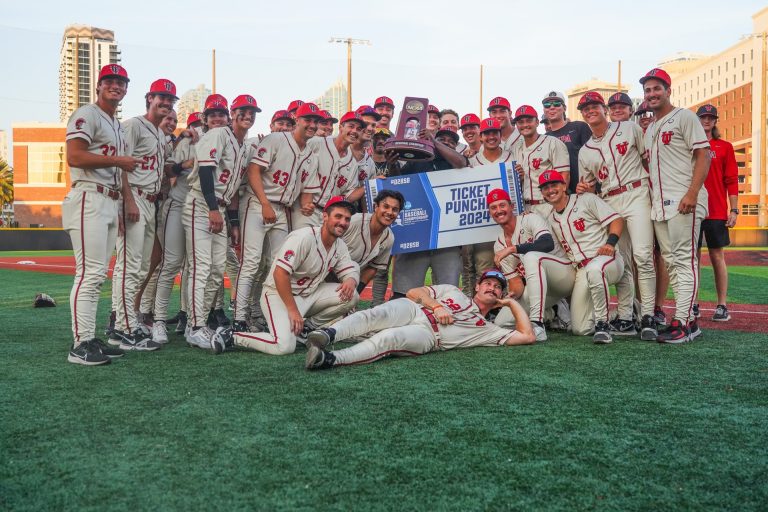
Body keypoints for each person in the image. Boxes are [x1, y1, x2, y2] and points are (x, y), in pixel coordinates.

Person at [63, 64, 142, 365]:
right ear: (98, 86)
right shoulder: (88, 113)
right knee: (89, 273)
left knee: (98, 275)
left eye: (121, 82)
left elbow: (119, 170)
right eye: (109, 81)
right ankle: (80, 345)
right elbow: (75, 155)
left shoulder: (116, 124)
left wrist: (124, 202)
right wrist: (120, 159)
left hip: (108, 200)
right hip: (88, 195)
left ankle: (89, 337)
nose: (116, 86)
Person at [304, 269, 536, 369]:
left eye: (497, 288)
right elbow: (415, 292)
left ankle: (329, 359)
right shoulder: (453, 291)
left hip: (429, 336)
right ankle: (327, 335)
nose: (492, 288)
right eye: (487, 283)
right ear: (477, 286)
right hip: (416, 310)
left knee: (389, 338)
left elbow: (527, 336)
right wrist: (436, 306)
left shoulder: (487, 328)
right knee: (375, 314)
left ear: (500, 295)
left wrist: (511, 303)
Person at [225, 197, 361, 355]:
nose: (343, 222)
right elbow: (280, 274)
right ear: (325, 217)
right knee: (284, 346)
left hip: (308, 295)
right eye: (338, 216)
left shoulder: (339, 245)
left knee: (351, 296)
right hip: (278, 295)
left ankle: (307, 329)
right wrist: (293, 310)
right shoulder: (303, 237)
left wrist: (351, 280)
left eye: (347, 219)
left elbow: (349, 270)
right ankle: (233, 337)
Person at [233, 102, 322, 332]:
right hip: (257, 204)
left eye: (315, 121)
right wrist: (264, 204)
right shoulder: (276, 140)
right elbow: (254, 170)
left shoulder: (310, 153)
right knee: (251, 262)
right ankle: (239, 318)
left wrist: (309, 206)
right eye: (307, 120)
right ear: (297, 120)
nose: (312, 125)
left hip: (281, 209)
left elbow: (306, 196)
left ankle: (262, 313)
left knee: (277, 265)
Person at [575, 91, 657, 340]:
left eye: (594, 106)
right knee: (622, 261)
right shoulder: (585, 150)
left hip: (636, 193)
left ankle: (649, 316)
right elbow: (588, 184)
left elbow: (649, 160)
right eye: (585, 108)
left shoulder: (629, 129)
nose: (590, 110)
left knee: (643, 255)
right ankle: (625, 316)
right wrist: (584, 188)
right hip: (610, 199)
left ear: (604, 108)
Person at [641, 67, 711, 343]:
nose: (652, 93)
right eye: (648, 90)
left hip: (683, 200)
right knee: (671, 263)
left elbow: (703, 155)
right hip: (660, 205)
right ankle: (688, 322)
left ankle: (682, 321)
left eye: (657, 88)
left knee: (684, 261)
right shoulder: (651, 128)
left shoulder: (684, 116)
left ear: (669, 90)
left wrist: (692, 193)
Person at [182, 94, 257, 349]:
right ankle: (195, 326)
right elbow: (204, 170)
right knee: (202, 268)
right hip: (202, 203)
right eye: (243, 111)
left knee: (215, 271)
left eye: (252, 112)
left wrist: (232, 222)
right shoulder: (218, 135)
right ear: (232, 113)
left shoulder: (244, 145)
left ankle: (201, 322)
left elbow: (234, 190)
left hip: (220, 208)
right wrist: (213, 209)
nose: (247, 115)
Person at [108, 78, 177, 351]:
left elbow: (164, 170)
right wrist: (127, 200)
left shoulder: (160, 134)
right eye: (161, 97)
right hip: (134, 195)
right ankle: (123, 327)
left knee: (140, 268)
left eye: (170, 99)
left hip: (150, 201)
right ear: (149, 98)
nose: (166, 102)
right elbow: (120, 165)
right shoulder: (134, 125)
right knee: (130, 265)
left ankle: (121, 325)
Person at [540, 170, 625, 344]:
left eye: (554, 185)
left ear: (564, 186)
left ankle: (603, 324)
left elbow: (616, 220)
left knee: (594, 269)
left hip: (605, 258)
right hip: (581, 269)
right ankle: (619, 313)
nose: (550, 190)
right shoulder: (550, 219)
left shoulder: (586, 199)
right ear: (542, 193)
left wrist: (610, 243)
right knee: (581, 328)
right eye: (545, 187)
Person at [391, 127, 469, 298]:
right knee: (404, 291)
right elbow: (398, 182)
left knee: (448, 292)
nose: (447, 142)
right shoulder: (419, 160)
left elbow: (461, 162)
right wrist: (392, 164)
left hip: (447, 237)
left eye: (451, 142)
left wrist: (434, 140)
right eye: (443, 139)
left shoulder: (457, 164)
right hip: (416, 233)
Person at [488, 188, 571, 342]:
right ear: (490, 212)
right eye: (493, 207)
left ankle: (537, 324)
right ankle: (551, 312)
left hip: (563, 276)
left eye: (502, 205)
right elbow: (516, 284)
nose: (498, 210)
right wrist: (509, 296)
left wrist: (513, 249)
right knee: (502, 322)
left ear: (512, 206)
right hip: (539, 287)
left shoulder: (530, 218)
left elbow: (547, 244)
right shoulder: (498, 245)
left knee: (531, 257)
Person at [151, 110, 206, 343]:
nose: (216, 119)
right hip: (179, 202)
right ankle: (159, 320)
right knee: (172, 262)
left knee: (197, 267)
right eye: (211, 115)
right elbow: (169, 169)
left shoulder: (227, 141)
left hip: (203, 208)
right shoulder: (190, 138)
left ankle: (194, 321)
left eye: (220, 114)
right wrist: (190, 161)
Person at [695, 104, 738, 322]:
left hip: (717, 211)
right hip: (692, 209)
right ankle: (692, 303)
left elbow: (731, 180)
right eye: (703, 117)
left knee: (716, 256)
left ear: (715, 121)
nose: (707, 120)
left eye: (711, 117)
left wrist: (735, 209)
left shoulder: (725, 147)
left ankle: (722, 304)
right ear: (697, 119)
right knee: (692, 259)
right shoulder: (689, 145)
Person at [462, 119, 512, 295]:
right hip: (482, 223)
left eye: (494, 133)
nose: (491, 137)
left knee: (510, 264)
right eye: (487, 133)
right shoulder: (472, 161)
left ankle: (507, 306)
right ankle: (483, 306)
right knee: (483, 266)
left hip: (508, 222)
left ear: (500, 135)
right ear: (481, 137)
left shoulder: (512, 156)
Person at [294, 110, 364, 230]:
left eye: (358, 129)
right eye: (351, 126)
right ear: (341, 127)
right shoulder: (317, 143)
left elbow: (348, 195)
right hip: (304, 209)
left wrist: (369, 185)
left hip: (328, 215)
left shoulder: (352, 163)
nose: (354, 131)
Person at [512, 105, 570, 218]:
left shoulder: (552, 143)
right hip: (526, 207)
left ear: (537, 122)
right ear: (516, 125)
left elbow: (564, 175)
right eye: (520, 122)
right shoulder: (516, 148)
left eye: (529, 120)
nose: (525, 125)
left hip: (548, 205)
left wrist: (558, 205)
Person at [342, 190, 403, 293]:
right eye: (386, 206)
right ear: (376, 207)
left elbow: (373, 267)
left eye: (395, 209)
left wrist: (356, 292)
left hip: (349, 280)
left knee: (350, 301)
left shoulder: (389, 238)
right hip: (325, 273)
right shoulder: (354, 221)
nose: (389, 212)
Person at [541, 90, 592, 194]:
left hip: (585, 189)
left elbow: (594, 157)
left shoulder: (579, 127)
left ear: (564, 108)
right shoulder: (544, 138)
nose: (551, 107)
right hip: (560, 195)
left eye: (556, 104)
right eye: (547, 105)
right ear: (544, 110)